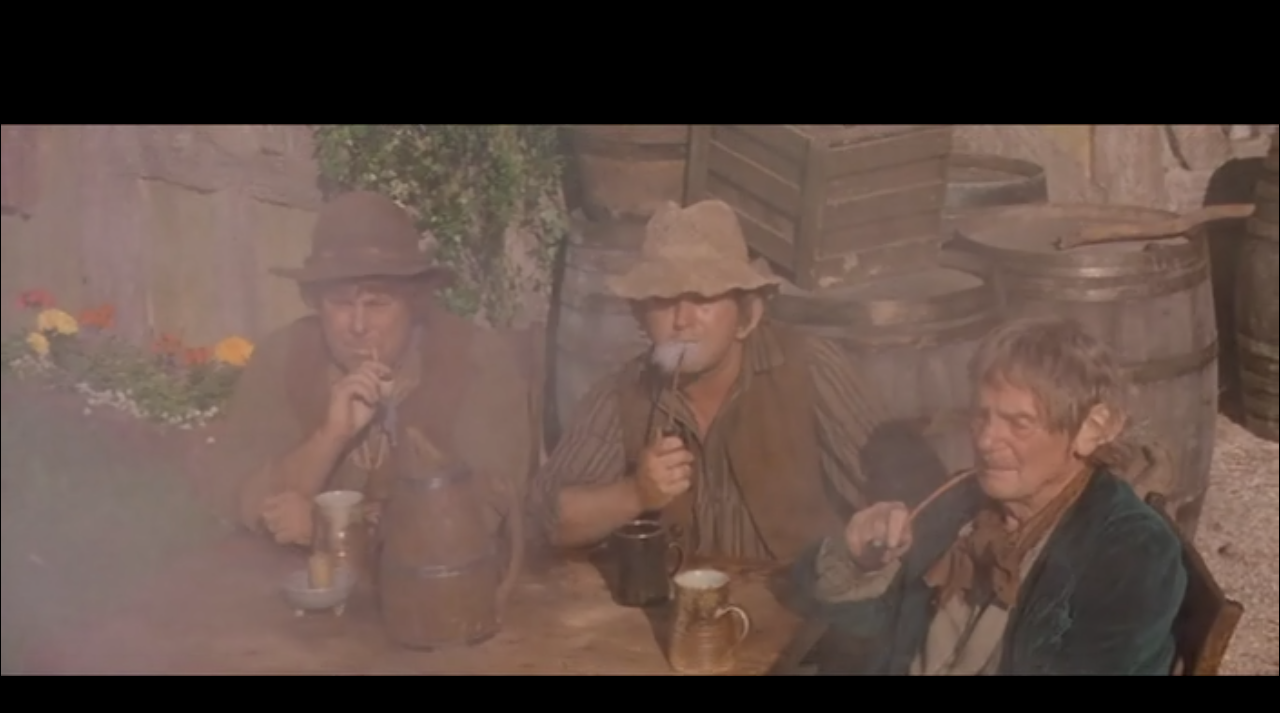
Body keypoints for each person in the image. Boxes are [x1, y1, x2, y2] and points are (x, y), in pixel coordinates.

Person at [528, 199, 945, 564]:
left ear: (748, 314)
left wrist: (885, 525)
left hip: (800, 614)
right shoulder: (627, 392)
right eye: (663, 300)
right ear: (639, 315)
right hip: (677, 615)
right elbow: (545, 518)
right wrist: (635, 493)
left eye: (703, 298)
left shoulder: (806, 367)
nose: (682, 320)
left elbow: (909, 490)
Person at [791, 316, 1188, 675]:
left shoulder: (1130, 552)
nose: (985, 440)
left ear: (1091, 429)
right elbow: (867, 629)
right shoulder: (960, 503)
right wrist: (860, 560)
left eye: (1019, 423)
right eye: (981, 415)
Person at [205, 190, 535, 546]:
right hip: (290, 573)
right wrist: (330, 436)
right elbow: (244, 494)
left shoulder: (475, 360)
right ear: (315, 302)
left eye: (377, 303)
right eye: (340, 303)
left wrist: (335, 530)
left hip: (442, 577)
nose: (358, 325)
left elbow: (488, 505)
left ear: (413, 302)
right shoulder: (283, 357)